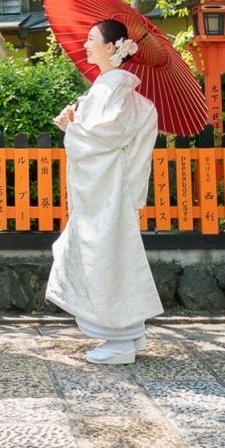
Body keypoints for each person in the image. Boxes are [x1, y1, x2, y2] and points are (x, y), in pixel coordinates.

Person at [45, 18, 162, 364]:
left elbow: (105, 137)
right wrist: (76, 124)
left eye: (92, 38)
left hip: (107, 193)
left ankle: (121, 338)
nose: (85, 44)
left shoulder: (116, 90)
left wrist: (72, 128)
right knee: (113, 255)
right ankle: (131, 333)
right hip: (107, 190)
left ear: (112, 48)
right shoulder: (111, 89)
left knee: (107, 258)